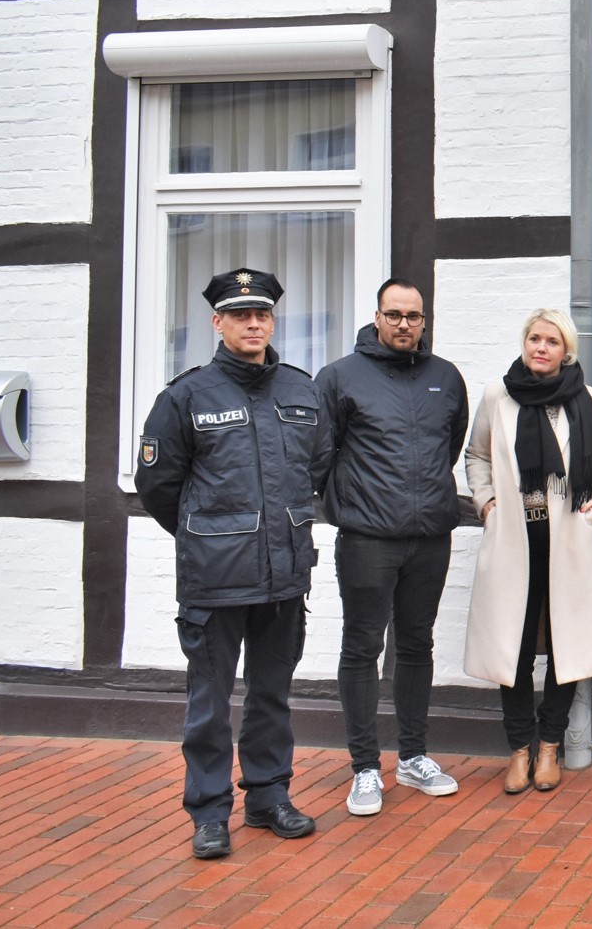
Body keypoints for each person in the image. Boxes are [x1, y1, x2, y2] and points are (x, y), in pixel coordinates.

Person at [135, 268, 332, 860]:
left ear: (273, 320)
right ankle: (209, 812)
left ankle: (269, 797)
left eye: (263, 314)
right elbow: (158, 487)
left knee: (272, 696)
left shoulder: (301, 391)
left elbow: (315, 469)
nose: (253, 323)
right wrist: (211, 538)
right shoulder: (185, 397)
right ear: (217, 323)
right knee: (209, 703)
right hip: (215, 581)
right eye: (240, 314)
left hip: (283, 577)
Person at [316, 278, 470, 816]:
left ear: (424, 321)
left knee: (416, 645)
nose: (405, 323)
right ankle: (363, 767)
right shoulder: (338, 378)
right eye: (394, 314)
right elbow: (321, 455)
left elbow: (449, 446)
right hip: (366, 538)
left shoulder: (445, 378)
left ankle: (413, 756)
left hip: (429, 537)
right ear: (377, 317)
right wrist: (354, 505)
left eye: (414, 315)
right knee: (362, 649)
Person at [464, 309, 592, 794]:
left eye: (552, 341)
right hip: (515, 539)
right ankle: (518, 749)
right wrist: (486, 502)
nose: (541, 347)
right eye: (534, 338)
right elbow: (478, 455)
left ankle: (550, 745)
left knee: (566, 646)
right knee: (512, 649)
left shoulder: (589, 399)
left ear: (566, 349)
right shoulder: (498, 395)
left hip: (570, 537)